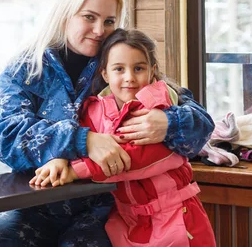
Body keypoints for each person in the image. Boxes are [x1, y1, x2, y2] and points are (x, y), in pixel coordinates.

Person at [0, 0, 214, 247]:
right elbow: (5, 135)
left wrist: (168, 123)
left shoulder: (120, 62)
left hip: (107, 207)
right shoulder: (26, 68)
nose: (99, 30)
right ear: (65, 14)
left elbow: (201, 122)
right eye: (89, 17)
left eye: (109, 21)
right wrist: (83, 140)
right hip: (35, 203)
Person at [30, 28, 215, 246]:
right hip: (128, 219)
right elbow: (77, 139)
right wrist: (59, 158)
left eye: (138, 68)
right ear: (105, 73)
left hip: (177, 215)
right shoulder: (94, 109)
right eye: (119, 69)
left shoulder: (159, 104)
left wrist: (75, 171)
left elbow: (137, 155)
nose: (129, 78)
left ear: (152, 71)